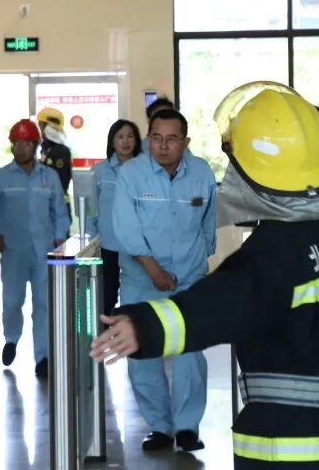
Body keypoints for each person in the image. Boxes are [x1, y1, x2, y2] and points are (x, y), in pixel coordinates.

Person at [92, 86, 319, 470]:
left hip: (287, 447)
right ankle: (161, 425)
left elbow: (219, 307)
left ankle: (185, 425)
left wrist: (142, 326)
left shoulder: (273, 251)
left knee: (190, 361)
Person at [110, 107, 216, 453]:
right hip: (142, 278)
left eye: (172, 139)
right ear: (148, 139)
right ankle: (160, 427)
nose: (163, 146)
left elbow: (208, 223)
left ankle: (187, 427)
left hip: (189, 279)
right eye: (156, 138)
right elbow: (126, 227)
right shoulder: (132, 174)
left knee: (190, 354)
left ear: (186, 142)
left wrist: (199, 263)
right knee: (143, 352)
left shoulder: (201, 173)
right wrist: (153, 269)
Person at [0, 119, 71, 378]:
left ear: (35, 145)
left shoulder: (49, 177)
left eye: (26, 143)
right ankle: (11, 338)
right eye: (16, 143)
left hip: (44, 251)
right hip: (13, 251)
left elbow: (60, 211)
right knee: (12, 301)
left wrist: (60, 238)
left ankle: (42, 356)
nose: (21, 148)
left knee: (44, 304)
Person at [85, 119, 142, 315]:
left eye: (130, 136)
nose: (125, 141)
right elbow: (89, 211)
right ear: (112, 142)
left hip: (136, 247)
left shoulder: (146, 171)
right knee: (106, 297)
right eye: (120, 137)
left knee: (134, 298)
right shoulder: (99, 171)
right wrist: (93, 243)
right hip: (107, 246)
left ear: (136, 141)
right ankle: (105, 332)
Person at [37, 107, 72, 206]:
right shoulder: (46, 148)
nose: (39, 129)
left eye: (41, 125)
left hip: (57, 205)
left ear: (49, 127)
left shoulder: (60, 151)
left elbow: (60, 182)